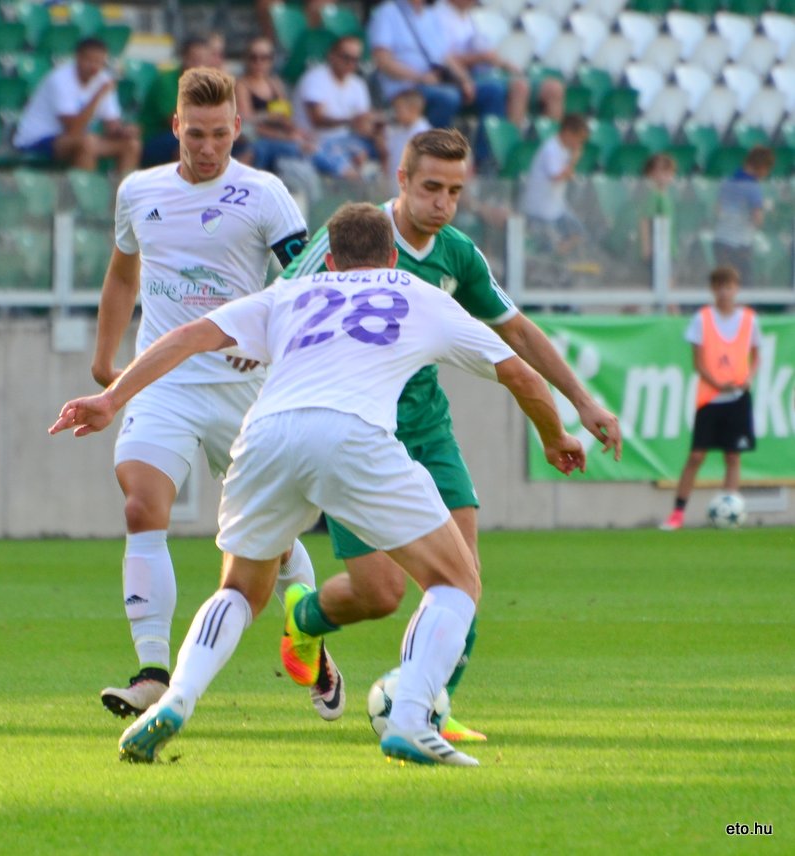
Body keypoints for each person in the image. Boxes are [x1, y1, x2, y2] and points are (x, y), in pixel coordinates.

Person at [49, 202, 586, 767]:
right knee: (456, 581)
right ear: (390, 257)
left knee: (238, 591)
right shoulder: (419, 293)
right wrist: (554, 437)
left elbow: (188, 337)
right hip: (354, 434)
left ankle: (178, 698)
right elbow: (520, 373)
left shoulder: (292, 293)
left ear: (329, 259)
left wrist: (112, 398)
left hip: (265, 436)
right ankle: (409, 717)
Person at [283, 129, 622, 741]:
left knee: (463, 576)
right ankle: (304, 617)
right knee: (380, 593)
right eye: (432, 187)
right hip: (355, 436)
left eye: (456, 191)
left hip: (427, 431)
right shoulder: (349, 244)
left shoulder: (458, 253)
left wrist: (582, 403)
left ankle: (429, 706)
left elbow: (516, 333)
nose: (443, 202)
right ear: (403, 181)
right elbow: (278, 319)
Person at [88, 66, 341, 724]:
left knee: (273, 543)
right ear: (175, 127)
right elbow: (122, 274)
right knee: (142, 507)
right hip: (165, 378)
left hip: (244, 389)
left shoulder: (264, 195)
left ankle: (307, 640)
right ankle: (151, 671)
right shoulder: (138, 191)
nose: (207, 148)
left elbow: (311, 280)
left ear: (238, 129)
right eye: (195, 134)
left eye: (220, 135)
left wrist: (265, 337)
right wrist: (105, 357)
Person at [660, 266, 761, 531]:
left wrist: (749, 376)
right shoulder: (702, 318)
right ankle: (677, 514)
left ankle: (731, 509)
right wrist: (716, 382)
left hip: (738, 397)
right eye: (721, 286)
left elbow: (756, 354)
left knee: (733, 457)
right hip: (710, 398)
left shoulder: (749, 319)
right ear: (713, 289)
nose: (726, 292)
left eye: (730, 286)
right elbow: (699, 362)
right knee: (696, 456)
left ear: (736, 289)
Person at [368, 0, 506, 164]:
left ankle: (484, 161)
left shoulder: (429, 16)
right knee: (447, 97)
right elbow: (383, 61)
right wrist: (419, 77)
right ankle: (436, 155)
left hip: (436, 81)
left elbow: (445, 56)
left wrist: (465, 79)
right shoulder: (387, 13)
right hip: (406, 86)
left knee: (494, 91)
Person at [13, 37, 141, 174]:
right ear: (78, 58)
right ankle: (86, 194)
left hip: (75, 139)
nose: (94, 67)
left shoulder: (103, 80)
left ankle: (123, 194)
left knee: (131, 145)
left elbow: (111, 126)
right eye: (89, 61)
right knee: (87, 143)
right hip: (38, 139)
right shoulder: (60, 80)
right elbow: (73, 128)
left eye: (99, 62)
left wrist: (123, 131)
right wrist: (98, 96)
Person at [434, 0, 564, 129]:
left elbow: (484, 52)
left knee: (553, 88)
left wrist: (503, 63)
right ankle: (511, 145)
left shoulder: (468, 17)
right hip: (461, 77)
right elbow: (442, 60)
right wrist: (480, 58)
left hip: (487, 72)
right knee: (520, 87)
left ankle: (551, 147)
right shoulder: (438, 17)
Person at [293, 35, 383, 179]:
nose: (350, 63)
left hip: (346, 140)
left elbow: (363, 125)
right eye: (346, 57)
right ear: (332, 55)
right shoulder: (315, 78)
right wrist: (351, 121)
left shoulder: (357, 84)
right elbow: (317, 120)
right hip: (316, 141)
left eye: (355, 59)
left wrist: (376, 127)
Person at [139, 36, 223, 167]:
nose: (198, 66)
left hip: (196, 132)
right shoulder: (166, 82)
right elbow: (173, 121)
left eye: (203, 61)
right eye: (194, 60)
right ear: (184, 58)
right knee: (188, 143)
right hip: (157, 135)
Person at [234, 36, 312, 174]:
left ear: (271, 60)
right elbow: (247, 124)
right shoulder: (242, 85)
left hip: (277, 135)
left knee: (310, 144)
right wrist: (273, 123)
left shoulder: (275, 83)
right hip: (258, 139)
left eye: (264, 58)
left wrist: (295, 132)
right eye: (254, 57)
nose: (259, 62)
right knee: (297, 149)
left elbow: (285, 117)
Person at [520, 113, 589, 258]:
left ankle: (559, 257)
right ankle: (553, 260)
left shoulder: (564, 150)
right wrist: (574, 161)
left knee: (579, 233)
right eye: (578, 139)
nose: (579, 144)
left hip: (556, 209)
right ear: (568, 132)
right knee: (550, 247)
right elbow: (556, 177)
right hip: (540, 211)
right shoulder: (550, 149)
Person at [713, 146, 776, 288]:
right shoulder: (753, 187)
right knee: (744, 286)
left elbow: (717, 210)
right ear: (762, 167)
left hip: (721, 239)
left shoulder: (726, 182)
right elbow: (757, 219)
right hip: (740, 244)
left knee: (724, 284)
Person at [383, 88, 430, 194]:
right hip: (394, 182)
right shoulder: (395, 129)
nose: (396, 113)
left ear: (413, 110)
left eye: (399, 109)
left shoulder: (423, 132)